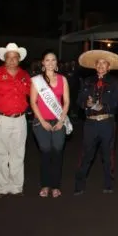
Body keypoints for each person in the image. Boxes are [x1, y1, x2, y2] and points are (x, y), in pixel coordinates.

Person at [74, 49, 118, 195]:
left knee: (108, 155)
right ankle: (79, 184)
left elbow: (116, 102)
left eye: (104, 63)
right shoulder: (87, 81)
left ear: (109, 67)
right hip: (90, 123)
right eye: (99, 63)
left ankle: (109, 184)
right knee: (85, 154)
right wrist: (86, 103)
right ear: (95, 66)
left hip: (106, 123)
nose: (101, 66)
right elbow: (79, 100)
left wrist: (105, 106)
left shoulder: (115, 82)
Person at [0, 43, 31, 197]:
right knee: (1, 154)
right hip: (1, 119)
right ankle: (2, 187)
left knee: (18, 154)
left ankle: (17, 187)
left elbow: (33, 95)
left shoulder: (25, 75)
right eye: (8, 58)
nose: (11, 60)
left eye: (14, 57)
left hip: (20, 119)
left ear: (19, 59)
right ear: (4, 59)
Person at [29, 50, 71, 198]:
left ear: (57, 63)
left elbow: (66, 102)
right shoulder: (36, 80)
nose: (50, 63)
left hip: (59, 120)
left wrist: (61, 120)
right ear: (43, 63)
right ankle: (45, 185)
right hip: (41, 122)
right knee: (46, 152)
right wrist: (42, 122)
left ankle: (56, 186)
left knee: (58, 152)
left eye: (53, 60)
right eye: (47, 60)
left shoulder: (62, 79)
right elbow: (33, 102)